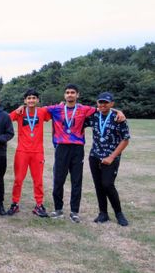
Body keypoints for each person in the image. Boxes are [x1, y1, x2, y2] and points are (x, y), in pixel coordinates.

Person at [46, 84, 99, 222]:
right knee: (58, 180)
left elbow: (103, 108)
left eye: (73, 92)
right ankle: (58, 209)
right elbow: (35, 109)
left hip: (77, 148)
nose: (70, 95)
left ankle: (75, 211)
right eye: (68, 92)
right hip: (61, 148)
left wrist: (119, 112)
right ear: (64, 95)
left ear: (77, 95)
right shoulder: (56, 109)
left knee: (76, 181)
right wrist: (22, 107)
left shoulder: (84, 109)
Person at [85, 92, 130, 226]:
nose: (103, 104)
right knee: (98, 185)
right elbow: (78, 114)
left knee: (108, 184)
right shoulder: (94, 116)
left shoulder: (118, 118)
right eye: (100, 102)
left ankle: (119, 213)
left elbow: (125, 139)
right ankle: (103, 213)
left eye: (106, 102)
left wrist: (111, 157)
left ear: (112, 104)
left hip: (111, 157)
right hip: (94, 156)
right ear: (97, 103)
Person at [8, 89, 51, 217]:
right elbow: (8, 118)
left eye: (33, 98)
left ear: (37, 100)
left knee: (38, 180)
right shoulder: (20, 112)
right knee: (18, 179)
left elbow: (53, 115)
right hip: (22, 151)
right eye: (28, 98)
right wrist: (18, 109)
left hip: (37, 152)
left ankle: (39, 205)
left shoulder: (42, 112)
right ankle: (15, 203)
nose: (31, 100)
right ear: (25, 100)